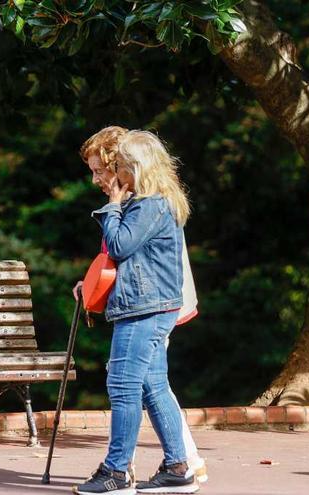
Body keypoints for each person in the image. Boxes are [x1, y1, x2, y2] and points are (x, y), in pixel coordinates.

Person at [76, 126, 208, 485]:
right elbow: (130, 258)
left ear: (134, 169)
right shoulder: (156, 202)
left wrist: (113, 207)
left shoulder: (149, 204)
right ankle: (178, 466)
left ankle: (116, 470)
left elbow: (119, 246)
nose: (111, 176)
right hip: (152, 304)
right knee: (153, 384)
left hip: (143, 309)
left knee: (122, 384)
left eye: (116, 167)